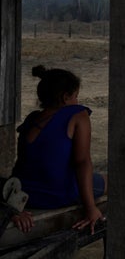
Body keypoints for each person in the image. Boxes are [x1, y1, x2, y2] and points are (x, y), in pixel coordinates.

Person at [11, 65, 107, 235]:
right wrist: (91, 208)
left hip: (26, 195)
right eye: (76, 96)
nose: (77, 101)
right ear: (65, 97)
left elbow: (23, 164)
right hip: (57, 194)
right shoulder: (77, 114)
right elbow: (82, 162)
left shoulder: (32, 119)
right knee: (112, 182)